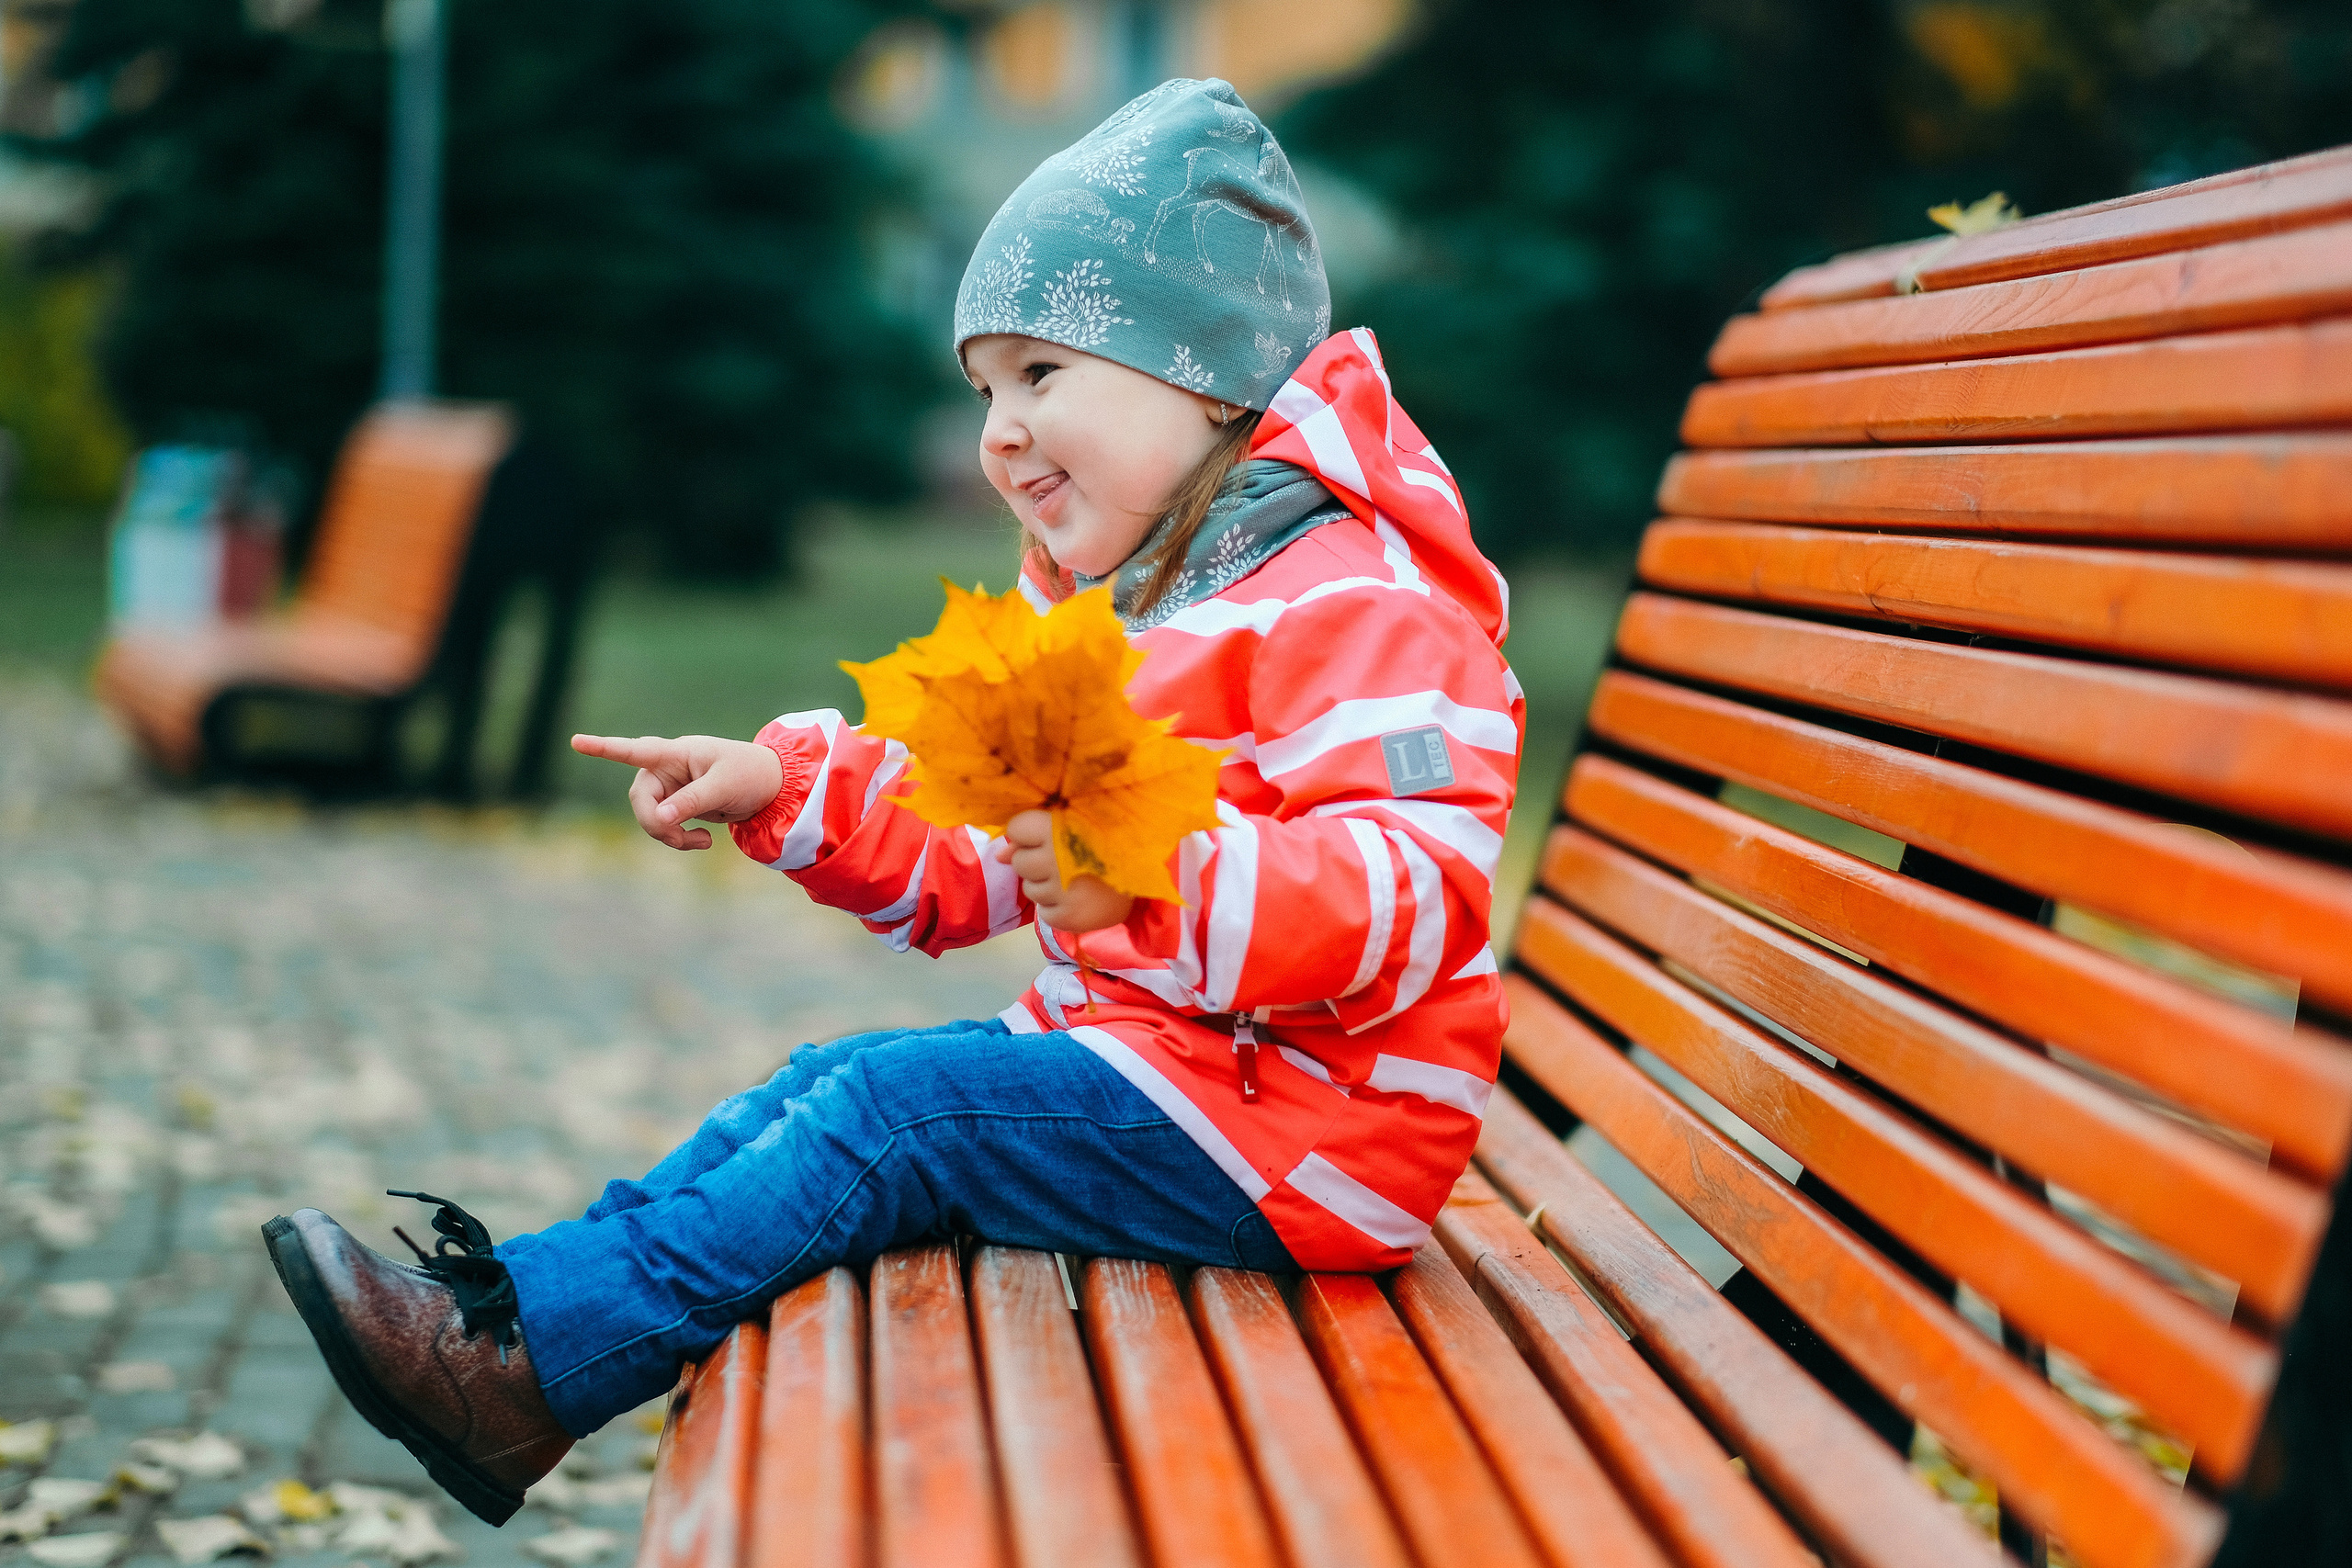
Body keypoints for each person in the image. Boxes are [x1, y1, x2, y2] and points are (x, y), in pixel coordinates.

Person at [262, 77, 1521, 1526]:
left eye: (1043, 375)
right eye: (983, 389)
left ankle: (529, 1369)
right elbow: (966, 841)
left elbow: (1413, 892)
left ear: (1210, 373)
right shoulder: (1139, 609)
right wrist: (784, 787)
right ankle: (508, 1344)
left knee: (888, 1117)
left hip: (1312, 1135)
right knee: (817, 1085)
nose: (1000, 432)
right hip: (1180, 1086)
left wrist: (1149, 869)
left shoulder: (1362, 607)